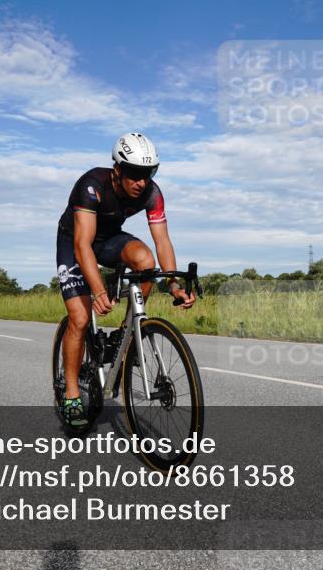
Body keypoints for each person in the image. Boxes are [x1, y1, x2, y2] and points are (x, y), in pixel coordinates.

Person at [55, 133, 195, 428]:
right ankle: (70, 393)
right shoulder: (91, 186)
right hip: (75, 242)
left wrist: (173, 284)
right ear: (117, 169)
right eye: (134, 174)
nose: (141, 182)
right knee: (79, 319)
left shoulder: (152, 193)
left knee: (146, 262)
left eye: (148, 174)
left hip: (108, 241)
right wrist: (96, 290)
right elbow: (82, 246)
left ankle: (125, 333)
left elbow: (162, 240)